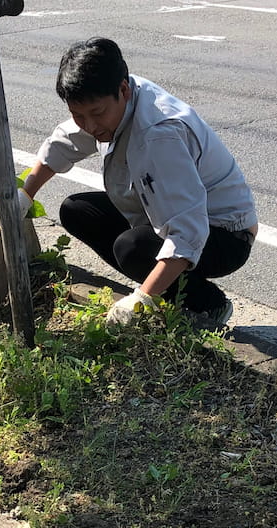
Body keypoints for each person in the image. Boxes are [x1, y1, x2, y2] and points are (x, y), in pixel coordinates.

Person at [22, 37, 256, 330]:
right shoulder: (116, 98)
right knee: (76, 209)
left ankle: (206, 304)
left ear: (123, 89)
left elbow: (188, 231)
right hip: (162, 211)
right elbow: (65, 142)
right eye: (77, 114)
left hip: (225, 234)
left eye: (96, 114)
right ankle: (166, 285)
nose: (90, 126)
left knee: (132, 248)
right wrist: (24, 194)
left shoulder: (160, 135)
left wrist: (142, 299)